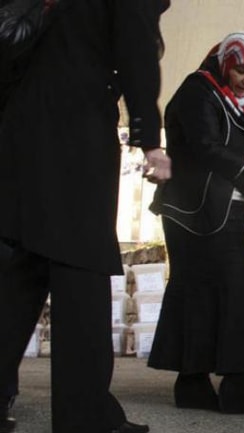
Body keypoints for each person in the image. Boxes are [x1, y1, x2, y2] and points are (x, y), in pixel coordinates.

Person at [0, 1, 172, 433]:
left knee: (23, 270)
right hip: (74, 132)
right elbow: (135, 48)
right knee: (81, 271)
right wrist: (150, 140)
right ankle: (86, 417)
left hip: (21, 129)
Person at [147, 31, 244, 415]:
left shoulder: (234, 100)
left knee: (199, 293)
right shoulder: (199, 92)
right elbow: (205, 146)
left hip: (214, 208)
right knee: (235, 290)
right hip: (197, 210)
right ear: (226, 62)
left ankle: (192, 383)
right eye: (243, 70)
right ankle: (239, 385)